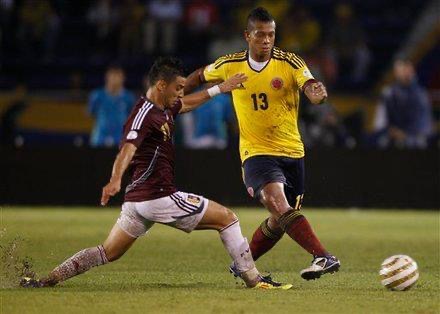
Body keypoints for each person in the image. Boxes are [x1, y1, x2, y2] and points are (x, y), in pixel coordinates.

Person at [20, 57, 291, 290]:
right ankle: (255, 280)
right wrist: (114, 180)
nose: (181, 93)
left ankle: (49, 279)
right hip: (157, 197)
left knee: (107, 252)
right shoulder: (143, 114)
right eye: (178, 87)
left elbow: (185, 105)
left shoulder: (163, 106)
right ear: (161, 85)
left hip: (137, 204)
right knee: (228, 219)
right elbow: (127, 148)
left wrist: (220, 88)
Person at [184, 7, 340, 280]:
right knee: (275, 201)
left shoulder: (290, 62)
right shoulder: (230, 64)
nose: (267, 40)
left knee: (281, 219)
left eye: (271, 35)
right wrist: (178, 90)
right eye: (261, 35)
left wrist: (317, 93)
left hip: (292, 152)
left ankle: (243, 263)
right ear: (247, 36)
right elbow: (200, 75)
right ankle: (323, 256)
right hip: (256, 152)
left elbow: (310, 84)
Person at [373, 58, 433, 148]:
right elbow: (380, 123)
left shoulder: (420, 94)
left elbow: (425, 125)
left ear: (412, 71)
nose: (405, 73)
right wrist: (392, 131)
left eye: (407, 69)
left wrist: (406, 135)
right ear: (396, 72)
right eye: (401, 69)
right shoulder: (388, 93)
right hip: (391, 139)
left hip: (414, 139)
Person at [88, 65, 135, 147]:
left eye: (118, 75)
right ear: (107, 77)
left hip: (120, 140)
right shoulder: (96, 95)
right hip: (99, 139)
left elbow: (132, 117)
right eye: (112, 75)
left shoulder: (129, 97)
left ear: (123, 78)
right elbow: (91, 113)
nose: (114, 78)